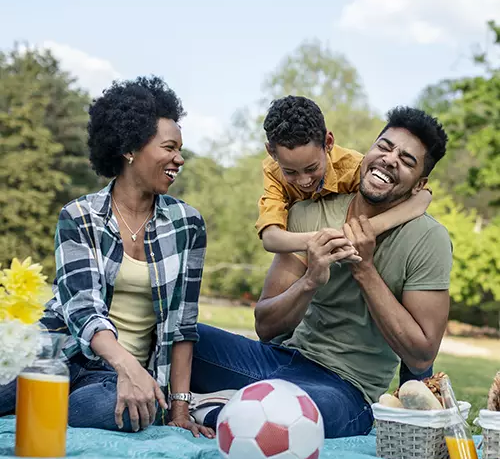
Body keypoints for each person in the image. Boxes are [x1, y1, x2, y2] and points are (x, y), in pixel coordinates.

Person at [190, 107, 452, 439]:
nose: (389, 159)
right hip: (281, 361)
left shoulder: (429, 239)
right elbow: (266, 327)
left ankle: (216, 408)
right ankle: (232, 405)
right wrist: (310, 280)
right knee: (181, 338)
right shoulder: (307, 215)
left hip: (344, 390)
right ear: (368, 152)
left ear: (420, 185)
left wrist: (365, 268)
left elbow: (420, 356)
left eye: (407, 160)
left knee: (299, 416)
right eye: (384, 147)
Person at [0, 76, 214, 438]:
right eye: (169, 147)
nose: (179, 158)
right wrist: (128, 365)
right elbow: (83, 309)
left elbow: (183, 324)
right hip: (58, 353)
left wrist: (178, 409)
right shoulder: (79, 215)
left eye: (180, 148)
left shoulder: (187, 224)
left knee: (131, 412)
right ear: (130, 149)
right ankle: (40, 399)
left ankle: (42, 406)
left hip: (110, 378)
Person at [257, 95, 433, 386]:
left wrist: (368, 229)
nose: (302, 181)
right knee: (284, 315)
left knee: (412, 320)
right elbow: (271, 237)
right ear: (271, 152)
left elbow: (412, 198)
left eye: (312, 168)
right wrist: (327, 238)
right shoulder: (273, 172)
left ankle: (418, 392)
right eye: (291, 171)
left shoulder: (354, 166)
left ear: (328, 142)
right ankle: (272, 373)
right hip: (306, 243)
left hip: (351, 252)